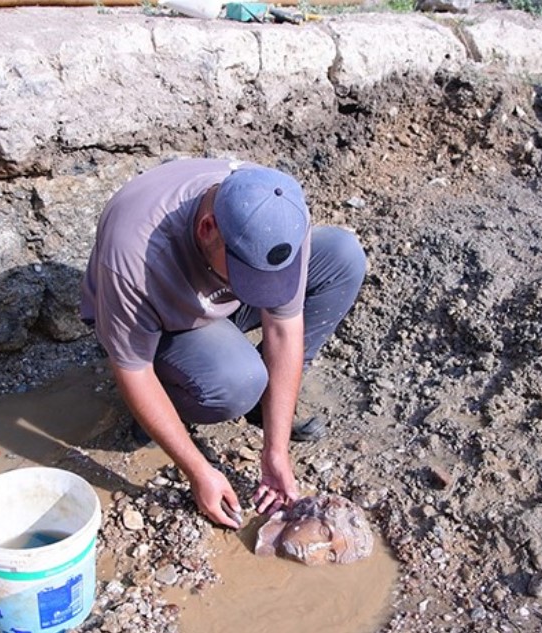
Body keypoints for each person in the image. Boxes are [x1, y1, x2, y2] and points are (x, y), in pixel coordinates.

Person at [79, 157, 365, 529]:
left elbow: (283, 326)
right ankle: (170, 406)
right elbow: (134, 370)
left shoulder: (280, 211)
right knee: (237, 382)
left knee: (343, 255)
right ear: (208, 227)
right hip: (164, 320)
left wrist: (275, 450)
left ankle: (267, 401)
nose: (265, 290)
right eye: (247, 271)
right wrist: (198, 470)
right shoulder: (134, 252)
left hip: (218, 300)